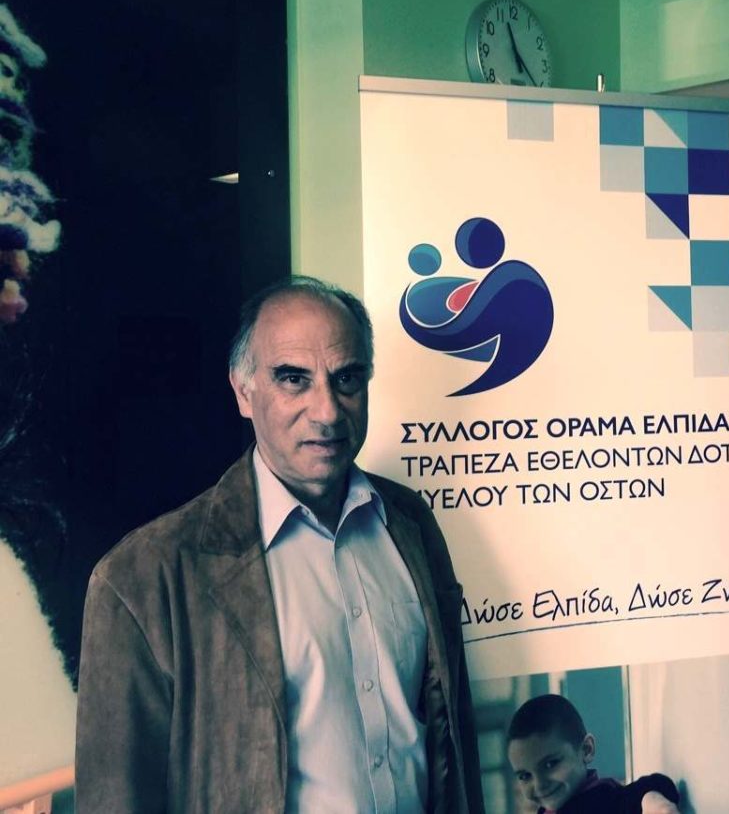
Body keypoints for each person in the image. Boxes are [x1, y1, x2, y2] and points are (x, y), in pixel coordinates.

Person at [75, 276, 484, 813]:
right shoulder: (142, 577)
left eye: (346, 378)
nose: (327, 411)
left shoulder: (410, 524)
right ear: (243, 393)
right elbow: (115, 799)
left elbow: (452, 744)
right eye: (294, 379)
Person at [507, 694, 681, 814]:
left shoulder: (601, 799)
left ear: (586, 749)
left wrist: (651, 800)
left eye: (550, 764)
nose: (539, 785)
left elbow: (648, 788)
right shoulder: (545, 811)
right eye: (525, 776)